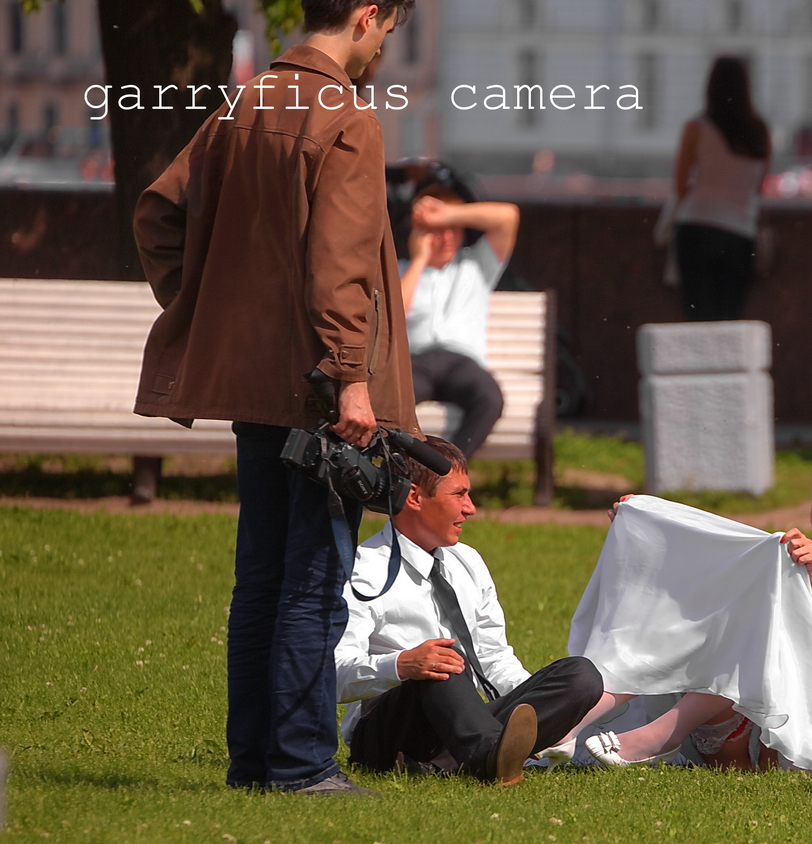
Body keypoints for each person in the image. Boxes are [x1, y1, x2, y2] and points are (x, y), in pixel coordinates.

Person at [133, 0, 417, 795]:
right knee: (313, 581)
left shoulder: (242, 102)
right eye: (389, 31)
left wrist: (206, 309)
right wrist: (351, 379)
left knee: (260, 578)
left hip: (255, 387)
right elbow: (339, 268)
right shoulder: (347, 118)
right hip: (322, 393)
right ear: (367, 16)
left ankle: (254, 763)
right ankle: (299, 766)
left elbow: (157, 216)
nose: (383, 48)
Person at [565, 446, 812, 772]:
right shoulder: (790, 556)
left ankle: (659, 737)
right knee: (701, 629)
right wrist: (643, 523)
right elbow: (715, 569)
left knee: (748, 648)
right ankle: (571, 724)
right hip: (744, 707)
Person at [335, 437, 604, 785]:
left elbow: (493, 655)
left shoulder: (468, 560)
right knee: (442, 661)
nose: (471, 508)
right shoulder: (363, 571)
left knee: (581, 676)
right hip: (389, 734)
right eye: (459, 495)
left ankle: (482, 754)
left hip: (463, 723)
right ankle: (490, 756)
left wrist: (535, 708)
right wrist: (401, 664)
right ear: (414, 497)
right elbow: (334, 676)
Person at [400, 186, 520, 457]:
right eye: (433, 230)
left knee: (489, 398)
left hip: (461, 362)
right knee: (390, 400)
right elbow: (394, 315)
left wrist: (445, 214)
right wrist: (420, 260)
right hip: (414, 362)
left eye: (451, 227)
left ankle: (451, 472)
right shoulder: (401, 269)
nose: (444, 236)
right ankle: (404, 476)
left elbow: (508, 216)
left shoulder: (476, 265)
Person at [667, 56, 771, 322]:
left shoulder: (697, 128)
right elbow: (758, 187)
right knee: (729, 319)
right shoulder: (760, 132)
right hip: (739, 232)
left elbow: (679, 185)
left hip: (696, 226)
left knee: (698, 316)